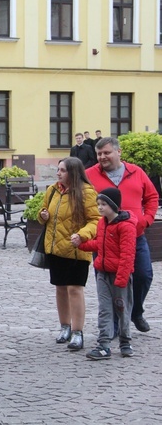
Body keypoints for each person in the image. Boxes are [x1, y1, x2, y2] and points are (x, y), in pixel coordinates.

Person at [85, 137, 158, 332]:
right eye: (99, 154)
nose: (102, 157)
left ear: (119, 152)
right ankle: (115, 325)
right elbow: (80, 200)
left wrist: (146, 219)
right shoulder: (89, 175)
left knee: (144, 275)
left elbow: (152, 197)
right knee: (108, 283)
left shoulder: (136, 172)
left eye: (106, 153)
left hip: (135, 236)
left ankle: (135, 312)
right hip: (105, 240)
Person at [38, 157, 100, 351]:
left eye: (62, 170)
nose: (58, 173)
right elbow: (44, 213)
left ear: (73, 172)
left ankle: (77, 331)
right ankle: (64, 326)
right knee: (60, 288)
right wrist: (42, 215)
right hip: (56, 248)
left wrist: (82, 235)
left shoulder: (86, 193)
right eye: (58, 170)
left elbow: (96, 220)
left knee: (75, 289)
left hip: (76, 249)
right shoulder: (52, 190)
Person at [73, 188, 137, 359]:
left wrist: (122, 279)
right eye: (99, 204)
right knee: (104, 309)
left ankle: (125, 341)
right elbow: (99, 245)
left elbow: (127, 254)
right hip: (102, 273)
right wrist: (81, 244)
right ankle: (104, 344)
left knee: (122, 309)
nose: (100, 208)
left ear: (114, 206)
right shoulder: (103, 223)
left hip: (119, 276)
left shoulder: (126, 227)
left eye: (104, 204)